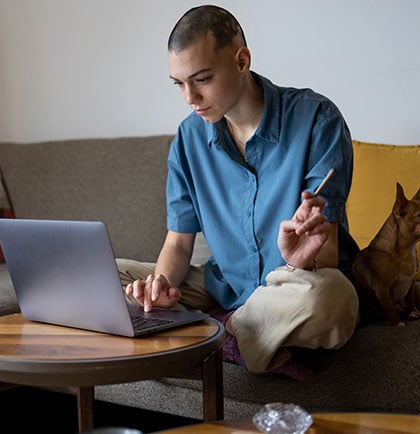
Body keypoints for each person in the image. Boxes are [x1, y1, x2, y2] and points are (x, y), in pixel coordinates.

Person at [119, 5, 359, 373]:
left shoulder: (317, 120)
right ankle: (231, 327)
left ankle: (220, 329)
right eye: (179, 84)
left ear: (242, 61)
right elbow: (179, 243)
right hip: (224, 284)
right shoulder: (187, 139)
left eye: (201, 79)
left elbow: (326, 256)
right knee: (112, 275)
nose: (189, 98)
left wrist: (299, 261)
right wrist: (160, 287)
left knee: (332, 300)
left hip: (295, 284)